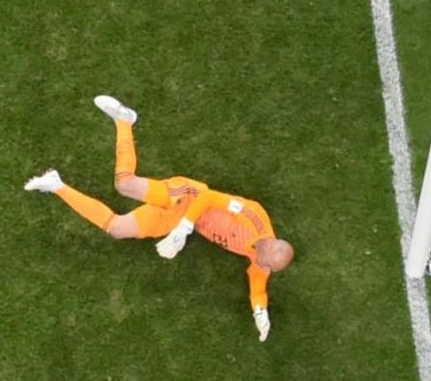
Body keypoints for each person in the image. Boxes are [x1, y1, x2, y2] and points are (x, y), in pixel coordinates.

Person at [24, 95, 294, 342]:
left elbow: (258, 284)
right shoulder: (252, 215)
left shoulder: (263, 261)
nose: (263, 266)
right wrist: (186, 227)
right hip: (188, 197)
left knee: (117, 229)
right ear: (270, 245)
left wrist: (260, 313)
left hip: (181, 222)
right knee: (125, 184)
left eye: (267, 266)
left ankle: (55, 184)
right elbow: (209, 197)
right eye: (266, 262)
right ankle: (124, 121)